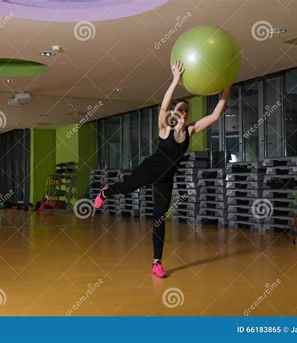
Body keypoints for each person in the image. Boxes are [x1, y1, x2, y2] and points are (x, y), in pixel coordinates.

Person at [94, 60, 231, 278]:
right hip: (149, 170)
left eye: (186, 110)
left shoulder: (190, 131)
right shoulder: (164, 128)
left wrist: (226, 89)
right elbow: (164, 107)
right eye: (180, 110)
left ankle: (156, 263)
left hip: (166, 179)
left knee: (159, 219)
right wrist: (176, 79)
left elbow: (214, 116)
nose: (183, 113)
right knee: (126, 188)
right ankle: (106, 191)